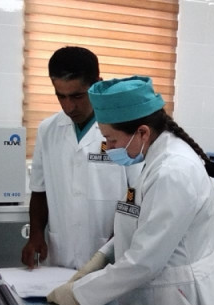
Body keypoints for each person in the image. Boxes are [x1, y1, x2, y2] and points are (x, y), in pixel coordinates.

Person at [46, 76, 214, 305]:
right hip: (155, 292)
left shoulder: (173, 171)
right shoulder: (153, 158)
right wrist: (102, 256)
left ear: (142, 132)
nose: (108, 148)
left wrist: (77, 294)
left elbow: (144, 261)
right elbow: (136, 220)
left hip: (175, 301)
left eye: (111, 140)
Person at [21, 47, 141, 276]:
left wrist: (117, 240)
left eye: (77, 96)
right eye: (61, 96)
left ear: (98, 85)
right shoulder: (48, 129)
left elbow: (136, 193)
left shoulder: (124, 130)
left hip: (109, 251)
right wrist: (36, 234)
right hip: (60, 253)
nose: (69, 107)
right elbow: (39, 190)